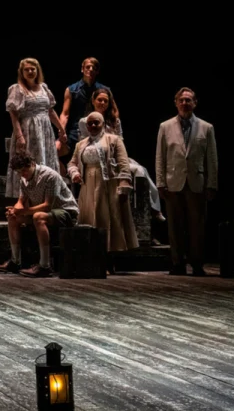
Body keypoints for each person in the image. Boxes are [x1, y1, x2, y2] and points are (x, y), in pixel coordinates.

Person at [77, 87, 164, 239]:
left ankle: (154, 208)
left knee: (141, 170)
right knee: (137, 170)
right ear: (93, 101)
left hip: (115, 157)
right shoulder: (87, 121)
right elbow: (85, 143)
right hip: (97, 159)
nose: (103, 103)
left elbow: (120, 142)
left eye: (105, 100)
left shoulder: (115, 121)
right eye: (100, 100)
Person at [156, 88, 218, 276]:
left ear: (195, 103)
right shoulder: (165, 127)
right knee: (175, 227)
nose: (185, 103)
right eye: (181, 100)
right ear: (176, 102)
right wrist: (160, 182)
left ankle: (197, 263)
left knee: (197, 226)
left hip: (196, 182)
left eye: (188, 100)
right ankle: (177, 263)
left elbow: (212, 159)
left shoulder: (206, 128)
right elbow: (160, 156)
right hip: (173, 182)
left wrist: (211, 184)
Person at [68, 111, 137, 270]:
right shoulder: (81, 144)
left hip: (107, 185)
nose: (93, 126)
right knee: (89, 219)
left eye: (96, 123)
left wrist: (124, 183)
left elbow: (123, 163)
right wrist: (75, 173)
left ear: (102, 124)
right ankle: (93, 258)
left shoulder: (113, 140)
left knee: (106, 218)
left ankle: (108, 258)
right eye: (90, 123)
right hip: (87, 186)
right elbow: (72, 163)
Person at [0, 154, 78, 278]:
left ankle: (45, 266)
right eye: (19, 172)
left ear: (32, 164)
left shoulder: (49, 175)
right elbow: (21, 201)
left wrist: (23, 212)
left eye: (24, 170)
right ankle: (15, 261)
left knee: (38, 216)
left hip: (65, 211)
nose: (22, 174)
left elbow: (47, 206)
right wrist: (15, 210)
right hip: (43, 212)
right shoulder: (23, 178)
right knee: (12, 218)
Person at [5, 58, 66, 198]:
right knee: (29, 163)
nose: (30, 72)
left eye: (33, 69)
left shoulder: (43, 87)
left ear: (38, 71)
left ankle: (47, 196)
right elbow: (13, 115)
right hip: (28, 130)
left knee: (45, 161)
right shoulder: (17, 89)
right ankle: (25, 199)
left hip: (45, 131)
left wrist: (61, 129)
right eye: (27, 69)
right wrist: (19, 135)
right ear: (22, 72)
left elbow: (50, 111)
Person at [59, 57, 117, 155]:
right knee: (57, 150)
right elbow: (65, 114)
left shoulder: (104, 90)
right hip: (76, 130)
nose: (90, 69)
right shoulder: (72, 89)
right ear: (82, 69)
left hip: (99, 128)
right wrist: (62, 130)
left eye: (94, 68)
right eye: (88, 67)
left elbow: (114, 111)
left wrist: (112, 128)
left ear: (97, 71)